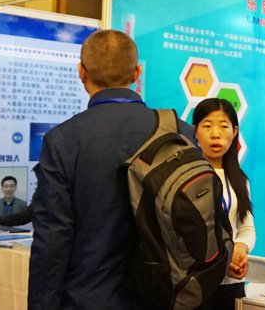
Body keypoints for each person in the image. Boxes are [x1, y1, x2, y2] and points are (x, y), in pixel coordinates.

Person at [28, 29, 195, 310]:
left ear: (81, 72)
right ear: (137, 73)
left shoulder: (63, 140)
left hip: (87, 300)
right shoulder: (180, 131)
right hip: (167, 298)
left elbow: (52, 240)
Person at [192, 98, 255, 310]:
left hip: (233, 284)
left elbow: (247, 229)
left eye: (224, 126)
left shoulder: (240, 180)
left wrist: (239, 249)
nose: (215, 134)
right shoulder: (186, 179)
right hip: (198, 284)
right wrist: (222, 260)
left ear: (234, 132)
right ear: (195, 131)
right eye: (207, 126)